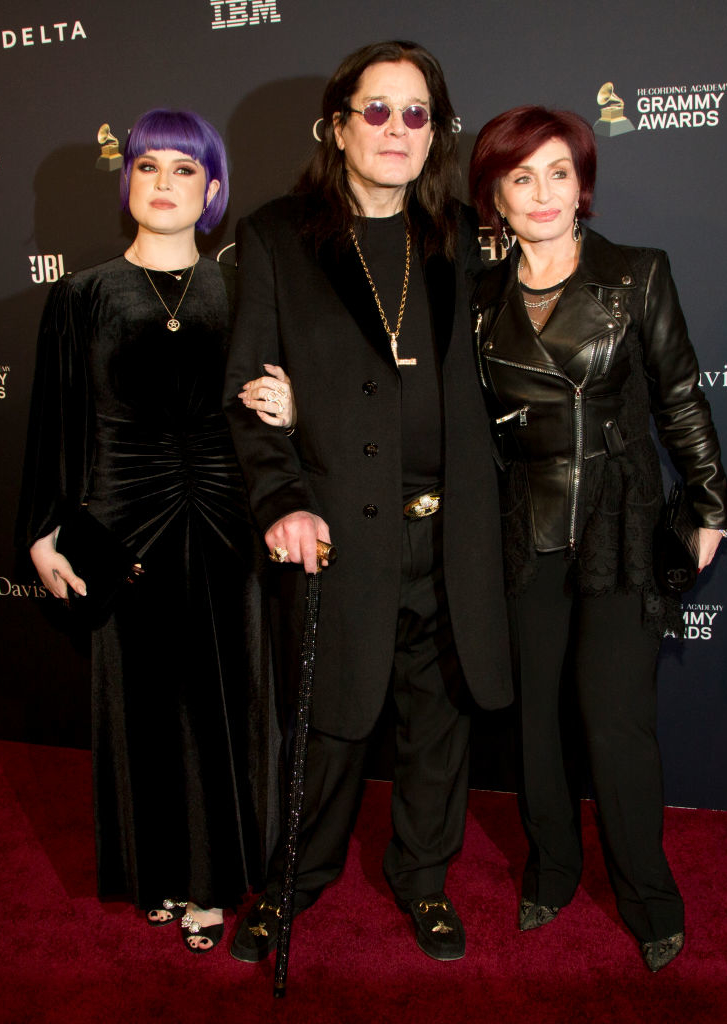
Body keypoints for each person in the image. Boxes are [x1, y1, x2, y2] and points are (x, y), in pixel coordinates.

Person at [224, 40, 512, 963]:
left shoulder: (465, 236)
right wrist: (281, 500)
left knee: (438, 724)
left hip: (453, 530)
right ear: (337, 125)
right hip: (338, 530)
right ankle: (290, 883)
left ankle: (422, 877)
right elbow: (248, 392)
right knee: (326, 719)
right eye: (376, 109)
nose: (396, 128)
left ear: (438, 132)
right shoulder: (277, 236)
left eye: (417, 112)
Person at [468, 106, 727, 971]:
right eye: (520, 177)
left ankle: (648, 895)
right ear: (494, 198)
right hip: (523, 526)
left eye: (557, 173)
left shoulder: (636, 274)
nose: (542, 194)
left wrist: (709, 506)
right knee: (536, 722)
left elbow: (680, 396)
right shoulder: (474, 299)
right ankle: (548, 868)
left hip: (618, 520)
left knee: (614, 723)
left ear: (582, 183)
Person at [18, 109, 285, 954]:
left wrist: (293, 407)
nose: (162, 183)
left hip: (223, 519)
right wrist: (41, 532)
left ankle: (213, 884)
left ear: (212, 190)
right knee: (140, 705)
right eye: (146, 167)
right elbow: (53, 421)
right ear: (126, 180)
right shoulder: (83, 294)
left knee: (220, 701)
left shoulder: (243, 288)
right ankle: (157, 873)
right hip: (120, 520)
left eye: (183, 169)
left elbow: (283, 400)